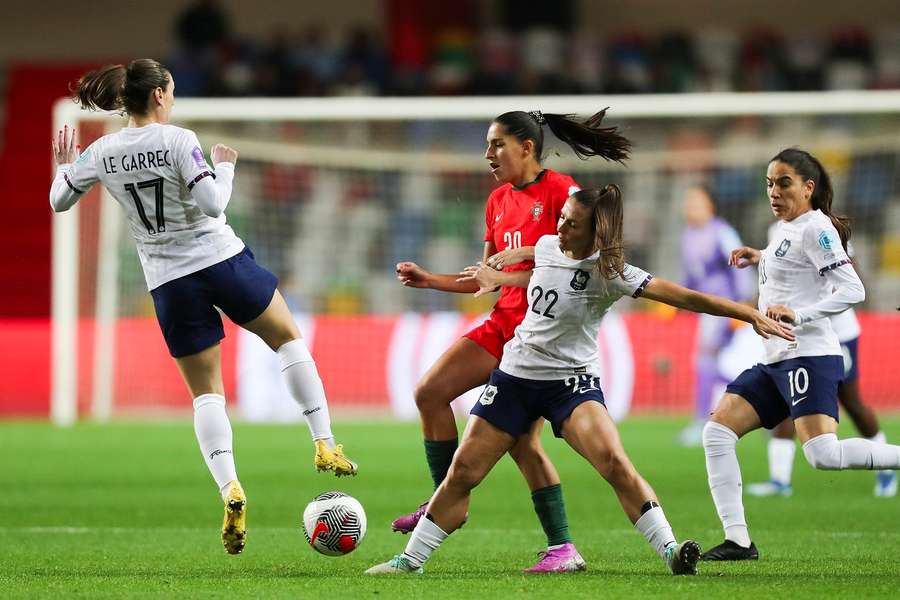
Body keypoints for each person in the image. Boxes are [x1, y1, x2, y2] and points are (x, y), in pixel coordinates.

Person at [365, 186, 793, 575]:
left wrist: (749, 312)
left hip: (572, 383)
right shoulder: (550, 244)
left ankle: (671, 551)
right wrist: (511, 261)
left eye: (572, 222)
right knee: (462, 472)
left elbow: (685, 296)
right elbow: (543, 262)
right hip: (515, 376)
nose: (561, 226)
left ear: (597, 233)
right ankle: (410, 561)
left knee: (614, 462)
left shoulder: (613, 273)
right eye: (562, 217)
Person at [48, 59, 357, 556]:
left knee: (206, 394)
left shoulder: (102, 151)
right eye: (169, 91)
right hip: (220, 260)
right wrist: (226, 166)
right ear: (158, 97)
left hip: (168, 281)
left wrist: (65, 166)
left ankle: (230, 488)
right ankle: (324, 442)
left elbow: (59, 201)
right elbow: (214, 204)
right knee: (287, 339)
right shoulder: (176, 139)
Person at [391, 109, 630, 573]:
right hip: (501, 325)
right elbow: (488, 280)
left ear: (527, 147)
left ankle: (562, 546)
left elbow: (580, 266)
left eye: (497, 144)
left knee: (524, 444)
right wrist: (430, 280)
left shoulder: (564, 192)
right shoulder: (497, 199)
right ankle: (445, 503)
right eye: (487, 145)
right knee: (429, 393)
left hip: (541, 335)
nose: (488, 155)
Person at [701, 148, 900, 561]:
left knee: (822, 455)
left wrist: (800, 315)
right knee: (717, 432)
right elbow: (793, 267)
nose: (774, 192)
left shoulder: (816, 228)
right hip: (776, 359)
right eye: (769, 183)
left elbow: (853, 290)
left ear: (809, 188)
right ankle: (738, 541)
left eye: (784, 183)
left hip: (808, 355)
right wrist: (759, 256)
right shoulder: (786, 230)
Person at [746, 246, 896, 498]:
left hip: (836, 334)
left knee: (851, 402)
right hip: (797, 332)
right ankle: (779, 479)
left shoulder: (825, 230)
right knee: (787, 398)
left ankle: (886, 467)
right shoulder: (781, 229)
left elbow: (850, 280)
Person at [677, 185, 755, 447]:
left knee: (707, 360)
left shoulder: (722, 232)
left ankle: (702, 420)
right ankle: (755, 414)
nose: (691, 207)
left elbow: (740, 266)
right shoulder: (687, 235)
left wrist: (743, 305)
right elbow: (692, 276)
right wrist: (675, 301)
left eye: (696, 202)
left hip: (724, 306)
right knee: (722, 364)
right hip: (706, 308)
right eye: (689, 202)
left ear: (710, 205)